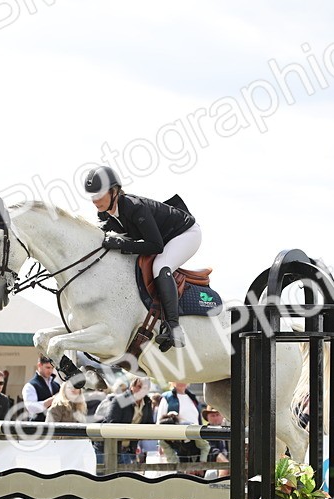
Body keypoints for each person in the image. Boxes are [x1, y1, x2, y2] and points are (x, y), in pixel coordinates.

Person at [85, 165, 200, 349]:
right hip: (164, 237)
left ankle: (174, 329)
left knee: (161, 266)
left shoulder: (134, 207)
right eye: (92, 195)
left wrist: (122, 245)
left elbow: (156, 246)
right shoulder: (104, 214)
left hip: (185, 234)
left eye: (99, 194)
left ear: (114, 191)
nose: (95, 200)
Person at [155, 381, 202, 462]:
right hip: (176, 444)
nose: (181, 381)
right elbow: (160, 422)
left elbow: (198, 420)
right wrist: (160, 444)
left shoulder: (192, 398)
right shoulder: (167, 397)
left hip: (195, 443)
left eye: (184, 379)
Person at [21, 356, 60, 422]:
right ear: (39, 365)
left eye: (52, 368)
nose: (50, 370)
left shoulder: (56, 385)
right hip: (37, 427)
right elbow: (31, 408)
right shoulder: (30, 386)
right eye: (47, 367)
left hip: (55, 426)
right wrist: (52, 400)